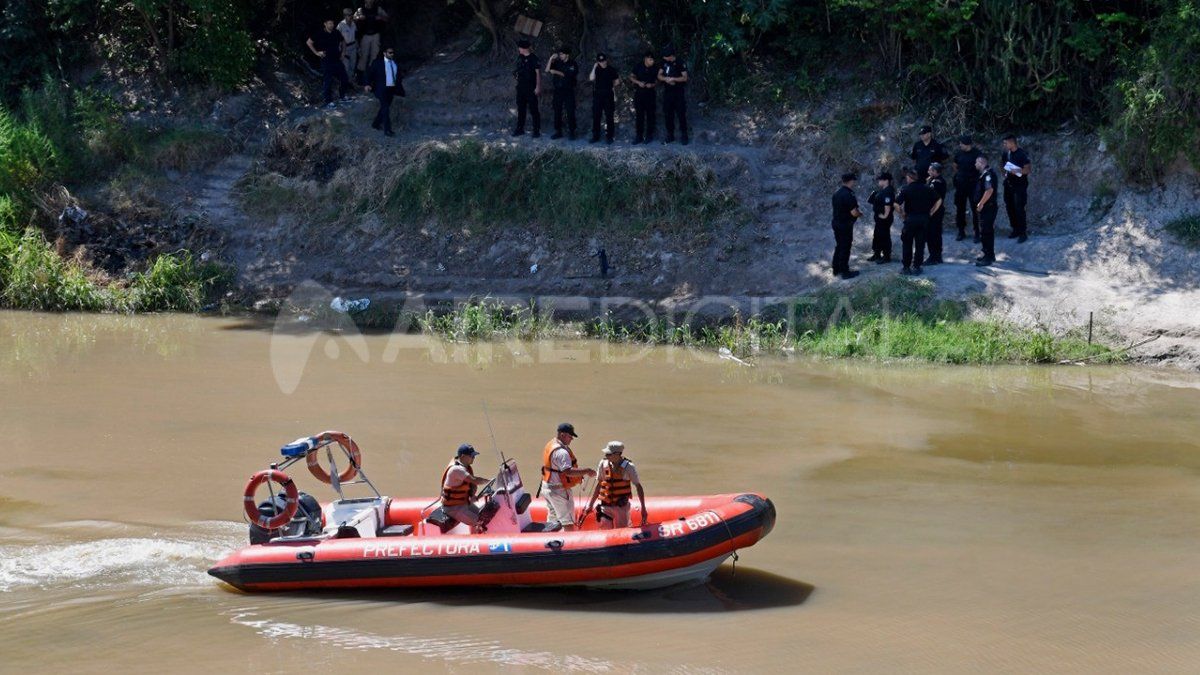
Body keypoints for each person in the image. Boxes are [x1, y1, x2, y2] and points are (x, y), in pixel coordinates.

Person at [540, 422, 596, 532]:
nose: (571, 439)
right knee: (568, 522)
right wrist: (587, 471)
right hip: (558, 490)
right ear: (562, 435)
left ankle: (550, 539)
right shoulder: (561, 452)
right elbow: (567, 471)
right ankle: (569, 540)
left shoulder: (551, 444)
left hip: (547, 487)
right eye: (570, 436)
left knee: (553, 519)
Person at [583, 441, 647, 530]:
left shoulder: (629, 467)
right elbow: (599, 485)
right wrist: (590, 505)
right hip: (605, 506)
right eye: (606, 453)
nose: (606, 456)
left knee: (622, 532)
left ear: (617, 454)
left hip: (621, 507)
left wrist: (643, 508)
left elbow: (638, 486)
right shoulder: (603, 464)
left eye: (609, 454)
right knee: (605, 530)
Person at [439, 444, 492, 533]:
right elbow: (475, 480)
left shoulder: (466, 467)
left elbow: (472, 485)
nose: (474, 458)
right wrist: (489, 481)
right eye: (472, 456)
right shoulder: (457, 470)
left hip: (463, 503)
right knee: (481, 521)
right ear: (463, 456)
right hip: (453, 508)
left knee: (484, 515)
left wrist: (472, 496)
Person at [894, 167, 937, 275]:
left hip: (910, 219)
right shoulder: (927, 188)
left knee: (907, 243)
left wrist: (902, 214)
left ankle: (906, 268)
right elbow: (938, 200)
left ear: (909, 177)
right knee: (920, 244)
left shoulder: (906, 189)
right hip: (923, 220)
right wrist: (931, 212)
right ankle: (917, 267)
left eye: (907, 177)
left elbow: (896, 204)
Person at [307, 19, 351, 108]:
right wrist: (316, 53)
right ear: (325, 24)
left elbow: (343, 41)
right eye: (329, 23)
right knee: (328, 81)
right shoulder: (320, 33)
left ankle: (342, 96)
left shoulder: (336, 32)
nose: (331, 25)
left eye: (332, 23)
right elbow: (309, 42)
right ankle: (328, 101)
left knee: (344, 78)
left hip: (337, 59)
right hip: (326, 60)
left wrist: (343, 53)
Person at [365, 47, 404, 136]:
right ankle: (387, 130)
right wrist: (367, 84)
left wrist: (398, 87)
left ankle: (376, 124)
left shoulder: (394, 62)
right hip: (380, 89)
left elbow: (398, 76)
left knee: (384, 107)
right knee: (385, 108)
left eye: (392, 52)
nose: (391, 54)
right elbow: (369, 73)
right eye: (390, 52)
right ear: (384, 53)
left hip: (391, 89)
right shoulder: (377, 63)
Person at [830, 172, 861, 280]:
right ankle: (844, 271)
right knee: (845, 247)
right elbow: (854, 212)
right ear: (851, 181)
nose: (854, 183)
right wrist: (859, 214)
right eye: (854, 181)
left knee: (839, 245)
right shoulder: (849, 194)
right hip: (845, 224)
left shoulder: (837, 193)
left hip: (836, 223)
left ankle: (836, 268)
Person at [1001, 134, 1031, 242]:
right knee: (1010, 208)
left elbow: (1027, 170)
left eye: (1005, 143)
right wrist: (1005, 173)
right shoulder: (1006, 153)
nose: (1004, 145)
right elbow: (1003, 165)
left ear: (1012, 143)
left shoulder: (1022, 154)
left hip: (1020, 186)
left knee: (1019, 208)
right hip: (1008, 184)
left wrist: (1016, 171)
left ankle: (1023, 233)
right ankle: (1015, 229)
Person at [952, 135, 982, 242]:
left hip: (973, 185)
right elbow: (954, 165)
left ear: (967, 144)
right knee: (960, 209)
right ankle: (961, 231)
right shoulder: (959, 153)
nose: (960, 145)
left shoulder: (977, 154)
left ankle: (977, 233)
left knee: (975, 209)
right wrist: (960, 175)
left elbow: (981, 167)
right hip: (961, 185)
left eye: (961, 143)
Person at [546, 46, 578, 140]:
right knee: (557, 111)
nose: (560, 56)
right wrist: (551, 59)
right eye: (559, 54)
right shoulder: (557, 62)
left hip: (568, 91)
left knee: (570, 111)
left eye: (562, 54)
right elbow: (547, 70)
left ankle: (572, 132)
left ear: (567, 55)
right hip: (558, 91)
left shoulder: (573, 64)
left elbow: (567, 75)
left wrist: (556, 72)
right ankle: (558, 131)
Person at [657, 48, 689, 145]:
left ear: (671, 56)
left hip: (678, 92)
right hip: (668, 92)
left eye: (666, 57)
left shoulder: (680, 62)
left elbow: (685, 78)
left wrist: (673, 79)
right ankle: (670, 135)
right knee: (668, 114)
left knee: (681, 114)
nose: (664, 58)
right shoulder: (664, 62)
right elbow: (659, 75)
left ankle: (684, 135)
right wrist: (665, 79)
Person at [512, 39, 542, 138]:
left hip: (531, 87)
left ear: (524, 48)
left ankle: (536, 130)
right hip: (521, 87)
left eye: (519, 48)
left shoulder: (534, 58)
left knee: (534, 109)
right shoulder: (520, 57)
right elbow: (518, 69)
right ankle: (520, 129)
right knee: (521, 109)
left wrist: (538, 87)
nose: (518, 49)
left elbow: (538, 73)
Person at [974, 155, 999, 266]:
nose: (975, 165)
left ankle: (988, 257)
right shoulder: (985, 174)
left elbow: (989, 190)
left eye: (976, 162)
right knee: (986, 231)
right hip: (987, 207)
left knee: (986, 232)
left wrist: (981, 203)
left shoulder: (988, 174)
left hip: (988, 207)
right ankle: (989, 254)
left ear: (981, 163)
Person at [355, 0, 389, 82]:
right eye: (368, 1)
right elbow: (353, 18)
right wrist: (359, 18)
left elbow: (387, 18)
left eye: (371, 1)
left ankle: (373, 76)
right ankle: (359, 77)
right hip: (365, 35)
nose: (369, 2)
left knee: (374, 56)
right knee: (363, 56)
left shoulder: (378, 9)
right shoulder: (360, 10)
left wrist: (380, 18)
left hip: (375, 34)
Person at [588, 52, 618, 144]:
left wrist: (611, 86)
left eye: (604, 60)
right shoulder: (596, 69)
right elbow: (591, 78)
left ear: (606, 60)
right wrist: (594, 67)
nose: (603, 62)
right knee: (596, 116)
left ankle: (610, 137)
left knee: (609, 116)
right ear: (598, 62)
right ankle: (595, 136)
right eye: (600, 61)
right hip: (598, 95)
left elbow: (617, 81)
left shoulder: (611, 69)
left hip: (608, 95)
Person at [866, 171, 895, 264]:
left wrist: (885, 215)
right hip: (879, 217)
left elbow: (887, 205)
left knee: (884, 236)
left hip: (884, 218)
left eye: (880, 180)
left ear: (886, 181)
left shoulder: (888, 191)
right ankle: (877, 254)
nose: (878, 181)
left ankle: (886, 256)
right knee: (877, 235)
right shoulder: (883, 190)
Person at [630, 51, 657, 144]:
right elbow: (631, 77)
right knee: (639, 116)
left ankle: (649, 136)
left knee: (650, 116)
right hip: (639, 94)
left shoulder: (655, 68)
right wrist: (638, 83)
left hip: (650, 94)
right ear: (646, 59)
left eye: (653, 59)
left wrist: (652, 85)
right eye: (650, 59)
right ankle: (639, 136)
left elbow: (658, 80)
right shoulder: (638, 66)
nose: (652, 61)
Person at [925, 162, 947, 264]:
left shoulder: (936, 183)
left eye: (930, 170)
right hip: (936, 210)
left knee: (932, 234)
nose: (928, 171)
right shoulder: (935, 180)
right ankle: (937, 256)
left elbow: (936, 200)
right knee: (936, 234)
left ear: (935, 171)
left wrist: (931, 212)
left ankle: (933, 257)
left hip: (934, 211)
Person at [336, 8, 358, 90]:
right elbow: (337, 38)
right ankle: (343, 85)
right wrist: (339, 50)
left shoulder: (353, 24)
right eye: (348, 15)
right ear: (345, 16)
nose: (350, 16)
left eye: (351, 15)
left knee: (352, 66)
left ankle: (350, 83)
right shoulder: (340, 25)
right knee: (345, 67)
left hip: (353, 47)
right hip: (345, 48)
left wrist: (358, 47)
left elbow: (356, 36)